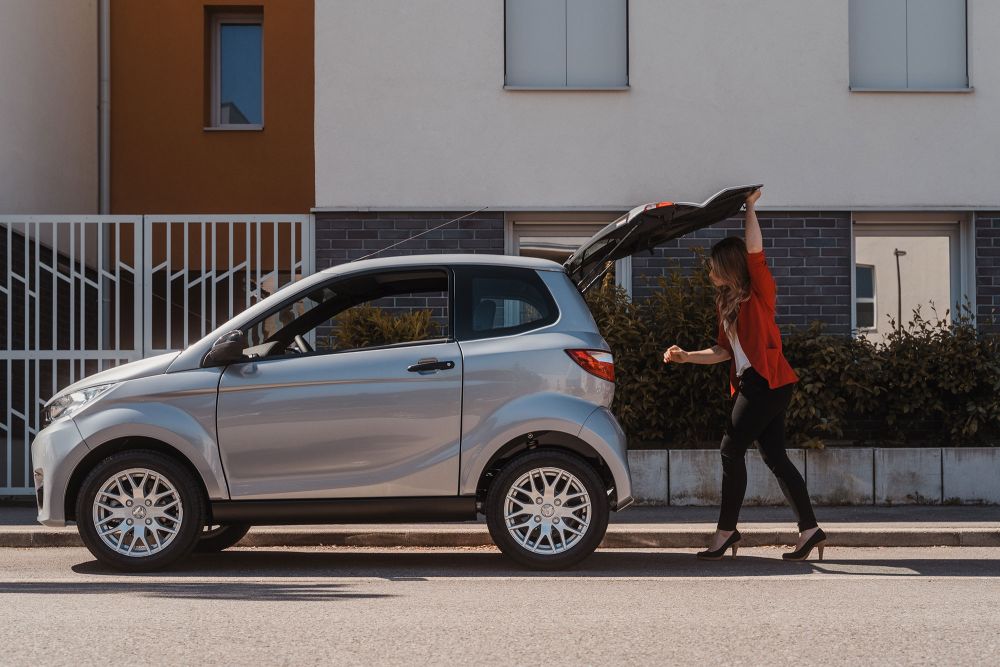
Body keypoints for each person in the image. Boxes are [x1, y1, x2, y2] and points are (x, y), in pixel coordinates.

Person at [662, 188, 826, 561]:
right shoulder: (727, 304)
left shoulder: (759, 292)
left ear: (727, 267)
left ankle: (726, 532)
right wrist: (687, 356)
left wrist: (750, 208)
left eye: (713, 266)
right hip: (761, 384)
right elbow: (723, 351)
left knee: (730, 448)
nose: (709, 272)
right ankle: (811, 530)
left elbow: (755, 252)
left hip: (766, 382)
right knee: (775, 457)